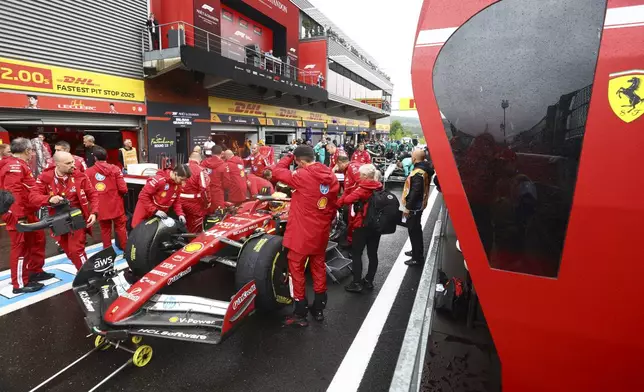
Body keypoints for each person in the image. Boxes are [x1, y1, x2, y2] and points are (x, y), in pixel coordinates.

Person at [272, 145, 340, 326]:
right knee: (318, 268)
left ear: (299, 161)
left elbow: (277, 172)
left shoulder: (301, 175)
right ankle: (318, 309)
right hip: (320, 233)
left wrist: (287, 156)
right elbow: (333, 205)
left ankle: (300, 312)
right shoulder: (331, 176)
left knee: (297, 272)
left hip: (300, 235)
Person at [31, 151, 99, 270]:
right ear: (57, 164)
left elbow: (93, 194)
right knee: (68, 250)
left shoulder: (80, 175)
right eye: (68, 163)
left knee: (76, 250)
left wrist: (94, 212)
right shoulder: (45, 177)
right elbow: (33, 197)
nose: (73, 165)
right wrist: (50, 198)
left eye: (72, 161)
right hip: (57, 220)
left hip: (77, 217)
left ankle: (88, 274)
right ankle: (83, 271)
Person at [0, 138, 51, 293]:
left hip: (28, 211)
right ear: (28, 151)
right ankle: (19, 284)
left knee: (37, 240)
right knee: (20, 247)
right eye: (32, 151)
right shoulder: (14, 166)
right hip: (18, 214)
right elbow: (13, 192)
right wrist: (19, 216)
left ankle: (34, 271)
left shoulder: (20, 165)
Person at [337, 164, 383, 292]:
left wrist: (350, 192)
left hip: (362, 225)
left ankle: (356, 282)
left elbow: (347, 200)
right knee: (373, 254)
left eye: (361, 174)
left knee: (357, 254)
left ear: (364, 176)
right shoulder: (379, 187)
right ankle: (369, 281)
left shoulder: (362, 189)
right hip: (376, 226)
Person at [86, 146, 128, 250]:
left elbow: (87, 192)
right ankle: (125, 251)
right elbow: (123, 189)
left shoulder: (88, 172)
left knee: (105, 230)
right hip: (116, 204)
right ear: (107, 156)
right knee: (121, 228)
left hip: (100, 206)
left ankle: (107, 251)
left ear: (95, 158)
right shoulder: (115, 169)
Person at [131, 164, 191, 228]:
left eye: (185, 180)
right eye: (181, 179)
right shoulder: (159, 180)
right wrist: (154, 211)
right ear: (175, 174)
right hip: (145, 209)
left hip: (160, 213)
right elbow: (143, 195)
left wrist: (180, 214)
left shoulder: (177, 184)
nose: (183, 183)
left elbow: (176, 201)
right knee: (137, 230)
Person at [403, 149, 434, 266]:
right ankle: (415, 251)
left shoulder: (418, 172)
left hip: (414, 207)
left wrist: (408, 207)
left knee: (414, 230)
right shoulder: (423, 169)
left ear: (414, 158)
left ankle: (417, 257)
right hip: (418, 205)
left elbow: (415, 191)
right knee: (415, 229)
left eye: (412, 156)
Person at [180, 152, 211, 233]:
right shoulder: (200, 170)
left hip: (179, 201)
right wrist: (207, 202)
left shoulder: (181, 167)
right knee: (195, 228)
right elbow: (204, 188)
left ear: (189, 158)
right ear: (200, 160)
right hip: (194, 203)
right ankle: (192, 243)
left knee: (181, 224)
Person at [202, 145, 231, 211]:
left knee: (206, 214)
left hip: (205, 193)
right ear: (221, 153)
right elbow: (227, 183)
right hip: (218, 194)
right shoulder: (224, 165)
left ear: (211, 153)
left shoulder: (203, 163)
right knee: (218, 215)